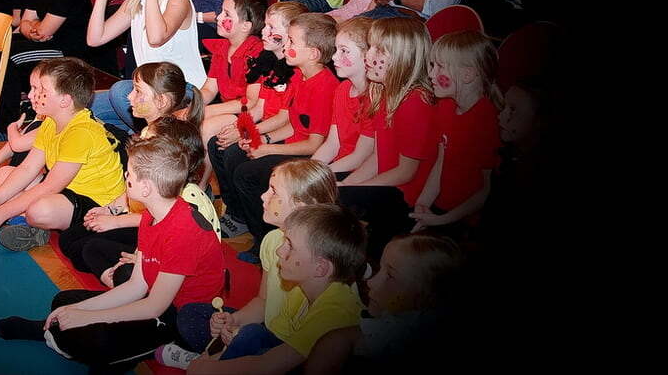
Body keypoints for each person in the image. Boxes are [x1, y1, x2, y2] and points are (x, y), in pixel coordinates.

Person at [0, 132, 224, 375]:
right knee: (64, 302)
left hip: (180, 316)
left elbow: (154, 307)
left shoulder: (183, 232)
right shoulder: (151, 215)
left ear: (146, 187)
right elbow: (137, 285)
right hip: (154, 298)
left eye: (130, 173)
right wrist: (81, 310)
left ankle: (156, 348)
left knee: (94, 336)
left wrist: (86, 317)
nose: (126, 176)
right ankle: (62, 334)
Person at [165, 159, 339, 369]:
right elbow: (263, 301)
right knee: (190, 314)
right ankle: (219, 358)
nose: (263, 196)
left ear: (300, 207)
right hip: (268, 330)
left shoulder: (324, 274)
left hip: (291, 352)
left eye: (274, 191)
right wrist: (234, 320)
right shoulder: (272, 241)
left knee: (250, 336)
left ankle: (214, 361)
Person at [214, 13, 340, 262]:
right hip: (293, 145)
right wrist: (264, 141)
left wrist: (268, 149)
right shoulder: (300, 75)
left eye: (292, 42)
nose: (286, 46)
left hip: (309, 156)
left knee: (246, 174)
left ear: (313, 53)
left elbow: (314, 144)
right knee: (231, 153)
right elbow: (293, 124)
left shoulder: (324, 86)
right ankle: (244, 219)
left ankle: (265, 238)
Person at [182, 204, 365, 374]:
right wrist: (229, 336)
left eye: (290, 246)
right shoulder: (302, 289)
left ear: (320, 268)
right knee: (248, 333)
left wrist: (212, 368)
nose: (279, 251)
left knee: (249, 336)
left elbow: (269, 364)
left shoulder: (334, 312)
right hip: (279, 351)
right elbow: (272, 337)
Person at [66, 73, 212, 286]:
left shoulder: (173, 153)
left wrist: (116, 222)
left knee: (86, 249)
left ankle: (126, 281)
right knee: (71, 240)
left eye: (138, 91)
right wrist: (110, 209)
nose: (129, 97)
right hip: (142, 222)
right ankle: (126, 279)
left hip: (157, 239)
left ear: (161, 100)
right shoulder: (150, 132)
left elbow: (162, 223)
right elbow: (134, 194)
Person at [0, 57, 127, 246]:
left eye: (42, 91)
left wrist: (1, 212)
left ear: (65, 101)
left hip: (95, 202)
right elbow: (27, 169)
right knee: (4, 174)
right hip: (67, 189)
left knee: (40, 211)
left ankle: (28, 220)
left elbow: (50, 187)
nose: (33, 95)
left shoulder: (81, 132)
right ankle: (26, 222)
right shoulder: (51, 122)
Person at [338, 18, 438, 260]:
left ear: (403, 58)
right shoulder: (385, 91)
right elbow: (377, 157)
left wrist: (352, 189)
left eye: (379, 50)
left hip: (406, 198)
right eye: (370, 46)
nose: (369, 55)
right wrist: (347, 184)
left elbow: (405, 173)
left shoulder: (415, 101)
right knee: (333, 193)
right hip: (388, 187)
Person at [87, 0, 206, 132]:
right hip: (148, 90)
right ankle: (138, 133)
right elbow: (95, 39)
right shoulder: (136, 0)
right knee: (86, 107)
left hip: (182, 90)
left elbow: (156, 38)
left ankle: (156, 134)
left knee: (120, 92)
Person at [307, 234, 463, 374]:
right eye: (380, 269)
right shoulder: (387, 327)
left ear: (429, 297)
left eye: (390, 276)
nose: (371, 282)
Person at [0, 0, 92, 132]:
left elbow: (43, 32)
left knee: (8, 55)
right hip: (49, 43)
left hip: (67, 52)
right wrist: (34, 26)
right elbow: (26, 24)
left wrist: (34, 26)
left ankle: (5, 122)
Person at [409, 31, 502, 234]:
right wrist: (422, 204)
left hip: (464, 220)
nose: (431, 74)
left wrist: (442, 220)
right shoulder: (446, 107)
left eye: (439, 67)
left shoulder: (485, 119)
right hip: (440, 207)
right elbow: (440, 163)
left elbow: (485, 189)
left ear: (467, 74)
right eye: (432, 65)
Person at [201, 0, 305, 148]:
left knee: (221, 144)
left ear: (290, 35)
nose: (263, 31)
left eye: (271, 27)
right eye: (265, 25)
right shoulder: (268, 63)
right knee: (216, 142)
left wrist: (244, 130)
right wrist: (239, 127)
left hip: (277, 132)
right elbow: (259, 108)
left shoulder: (295, 72)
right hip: (259, 121)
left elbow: (283, 118)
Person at [311, 17, 376, 180]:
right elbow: (333, 144)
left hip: (359, 175)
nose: (334, 57)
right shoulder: (343, 89)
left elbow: (360, 157)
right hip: (338, 166)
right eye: (336, 49)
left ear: (367, 56)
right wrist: (309, 169)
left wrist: (315, 176)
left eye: (344, 51)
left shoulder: (375, 98)